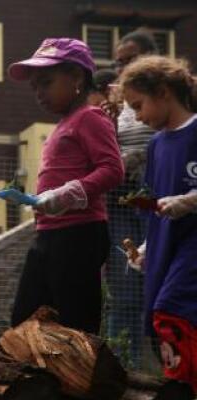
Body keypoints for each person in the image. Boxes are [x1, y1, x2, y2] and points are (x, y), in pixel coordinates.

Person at [7, 38, 123, 334]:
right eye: (35, 87)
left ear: (76, 77)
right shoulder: (65, 123)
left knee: (75, 322)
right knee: (26, 318)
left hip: (79, 232)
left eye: (45, 82)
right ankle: (42, 378)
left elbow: (112, 169)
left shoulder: (90, 117)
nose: (39, 93)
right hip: (48, 232)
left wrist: (67, 194)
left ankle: (79, 379)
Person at [120, 55, 197, 390]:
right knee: (159, 316)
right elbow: (156, 203)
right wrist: (146, 249)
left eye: (139, 106)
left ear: (163, 91)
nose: (138, 117)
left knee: (172, 308)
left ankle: (181, 386)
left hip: (192, 246)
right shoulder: (156, 145)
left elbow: (177, 200)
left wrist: (189, 201)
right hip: (167, 247)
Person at [102, 30, 158, 367]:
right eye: (118, 62)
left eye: (130, 59)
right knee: (124, 284)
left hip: (157, 198)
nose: (122, 67)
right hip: (121, 200)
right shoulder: (118, 105)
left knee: (160, 277)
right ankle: (123, 365)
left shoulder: (170, 96)